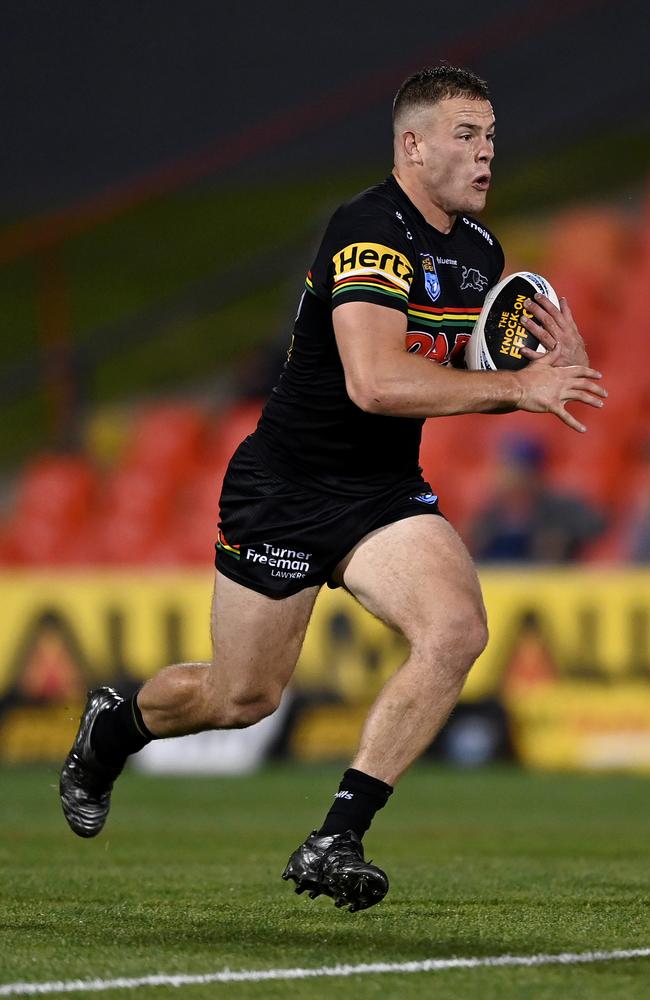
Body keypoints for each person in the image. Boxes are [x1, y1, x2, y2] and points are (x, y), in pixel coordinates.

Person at [60, 65, 606, 912]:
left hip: (380, 492)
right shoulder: (367, 229)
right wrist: (518, 391)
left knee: (457, 629)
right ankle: (115, 725)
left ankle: (336, 836)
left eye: (492, 135)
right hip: (285, 487)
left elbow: (451, 364)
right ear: (412, 145)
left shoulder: (480, 251)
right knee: (240, 697)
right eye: (467, 135)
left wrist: (533, 366)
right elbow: (375, 385)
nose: (487, 152)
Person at [470, 433, 606, 562]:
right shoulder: (489, 514)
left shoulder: (563, 508)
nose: (506, 476)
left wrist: (565, 540)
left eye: (514, 470)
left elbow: (598, 529)